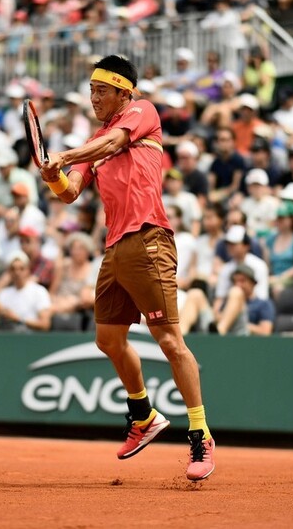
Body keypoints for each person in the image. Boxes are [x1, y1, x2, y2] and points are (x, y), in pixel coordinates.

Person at [39, 55, 215, 481]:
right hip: (114, 247)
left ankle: (201, 434)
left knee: (170, 341)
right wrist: (53, 174)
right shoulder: (94, 140)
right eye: (91, 90)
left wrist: (64, 154)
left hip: (150, 238)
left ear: (123, 92)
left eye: (102, 90)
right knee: (108, 340)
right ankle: (143, 415)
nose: (94, 98)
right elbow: (70, 192)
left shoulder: (142, 112)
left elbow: (113, 143)